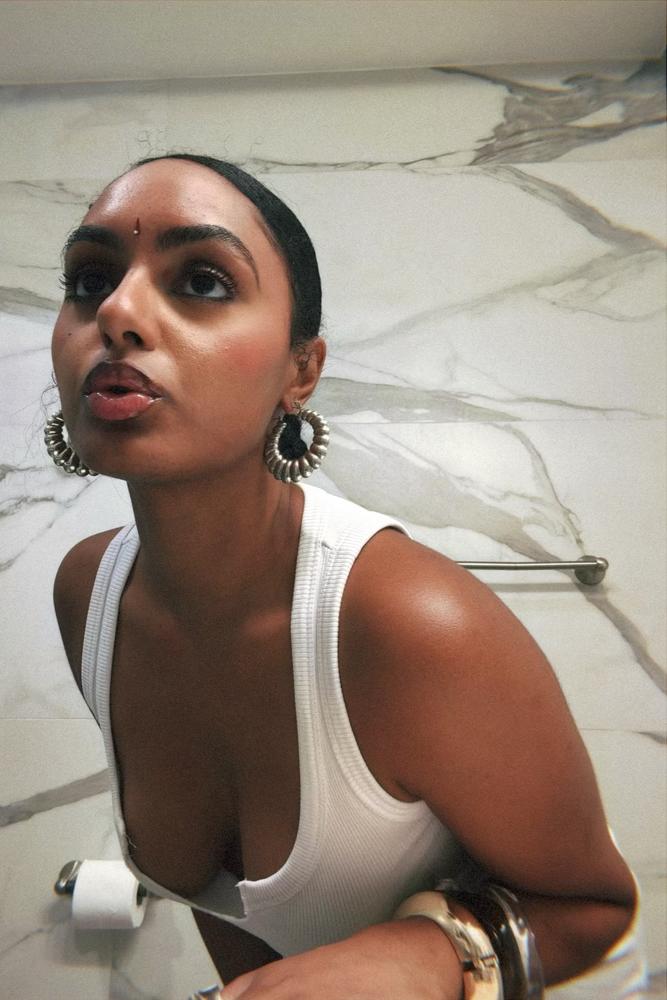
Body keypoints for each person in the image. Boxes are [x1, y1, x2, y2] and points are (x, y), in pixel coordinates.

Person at [49, 153, 645, 999]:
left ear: (300, 372)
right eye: (89, 279)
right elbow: (232, 907)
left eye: (203, 282)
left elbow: (598, 911)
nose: (115, 311)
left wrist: (431, 950)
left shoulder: (409, 623)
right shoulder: (88, 597)